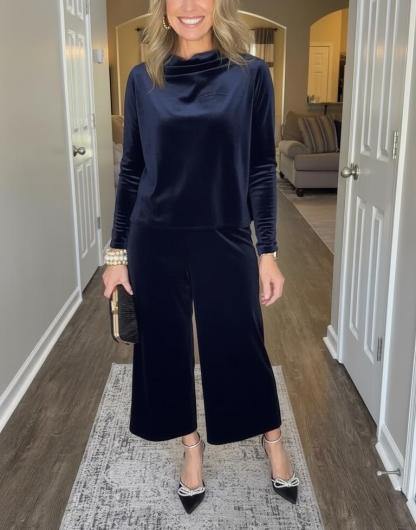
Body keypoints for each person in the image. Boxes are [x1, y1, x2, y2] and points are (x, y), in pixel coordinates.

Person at [102, 0, 299, 514]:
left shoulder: (251, 75)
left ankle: (272, 439)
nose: (189, 7)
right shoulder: (143, 79)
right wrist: (117, 252)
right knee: (163, 348)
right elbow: (131, 169)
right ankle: (191, 448)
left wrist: (268, 249)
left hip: (224, 233)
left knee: (240, 342)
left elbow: (261, 166)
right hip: (154, 236)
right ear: (163, 7)